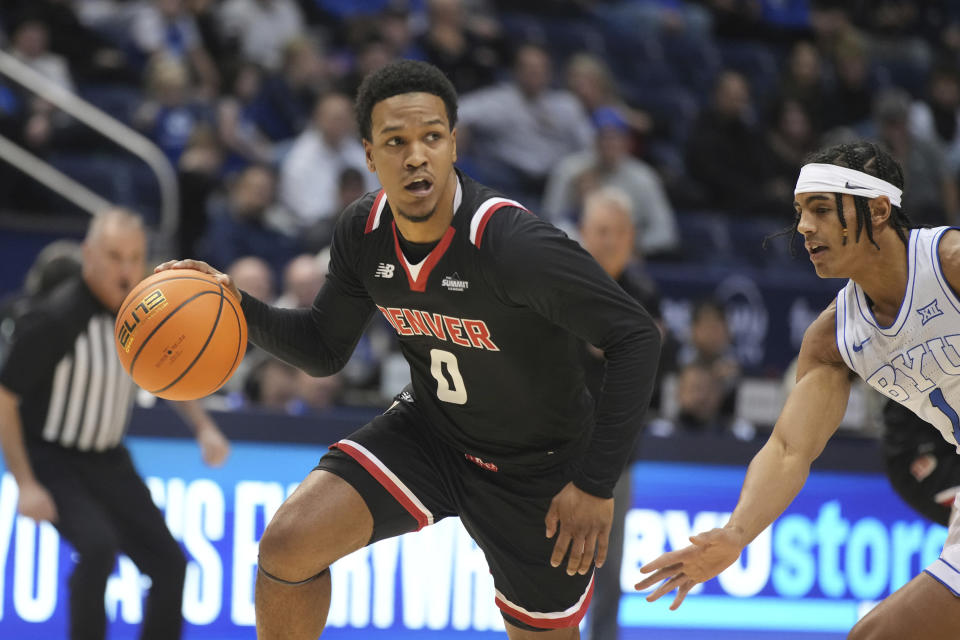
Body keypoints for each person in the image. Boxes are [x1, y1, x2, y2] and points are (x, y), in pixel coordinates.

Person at [157, 59, 661, 639]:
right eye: (395, 142)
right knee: (287, 546)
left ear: (453, 144)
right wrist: (237, 308)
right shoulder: (361, 231)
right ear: (370, 156)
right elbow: (324, 348)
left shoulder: (509, 243)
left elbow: (636, 337)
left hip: (537, 467)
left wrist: (596, 485)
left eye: (432, 137)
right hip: (433, 431)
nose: (415, 155)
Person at [635, 140, 960, 638]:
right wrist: (735, 534)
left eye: (822, 209)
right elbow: (789, 449)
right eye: (799, 210)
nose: (803, 226)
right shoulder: (835, 338)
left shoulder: (950, 263)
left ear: (877, 211)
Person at [0, 208, 231, 640]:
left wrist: (203, 427)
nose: (126, 270)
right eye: (114, 257)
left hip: (108, 460)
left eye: (134, 258)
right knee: (98, 547)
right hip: (52, 459)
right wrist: (26, 482)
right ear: (88, 255)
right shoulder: (56, 318)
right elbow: (5, 398)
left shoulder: (144, 314)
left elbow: (167, 374)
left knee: (170, 564)